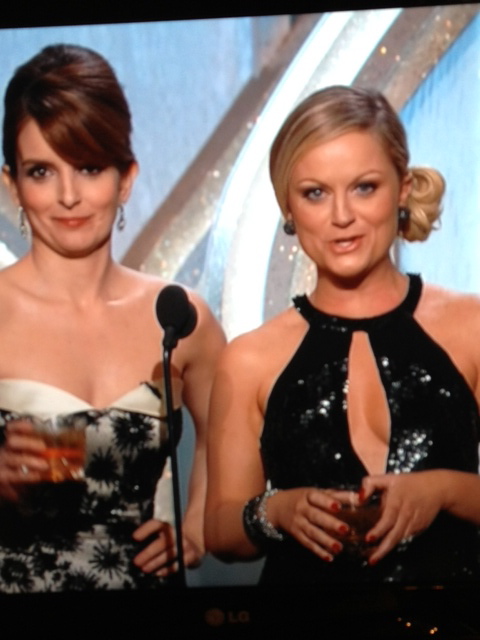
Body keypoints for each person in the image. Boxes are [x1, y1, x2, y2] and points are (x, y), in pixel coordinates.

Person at [205, 86, 480, 585]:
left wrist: (442, 489)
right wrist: (277, 510)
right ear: (288, 207)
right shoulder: (249, 359)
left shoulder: (471, 327)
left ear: (402, 187)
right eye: (315, 193)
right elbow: (221, 532)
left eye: (364, 187)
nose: (341, 217)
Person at [0, 44, 225, 592]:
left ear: (126, 179)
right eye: (41, 171)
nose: (69, 196)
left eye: (89, 167)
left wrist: (193, 526)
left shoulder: (179, 316)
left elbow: (239, 443)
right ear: (12, 186)